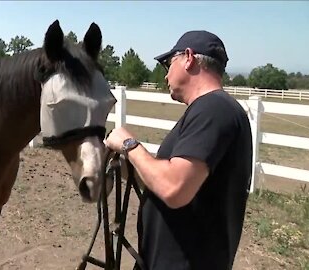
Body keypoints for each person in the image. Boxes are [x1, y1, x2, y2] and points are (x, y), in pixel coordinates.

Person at [105, 30, 253, 270]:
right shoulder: (211, 110)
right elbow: (176, 182)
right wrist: (125, 168)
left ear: (188, 57)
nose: (165, 76)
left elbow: (174, 188)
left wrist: (129, 144)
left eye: (167, 64)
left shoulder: (214, 110)